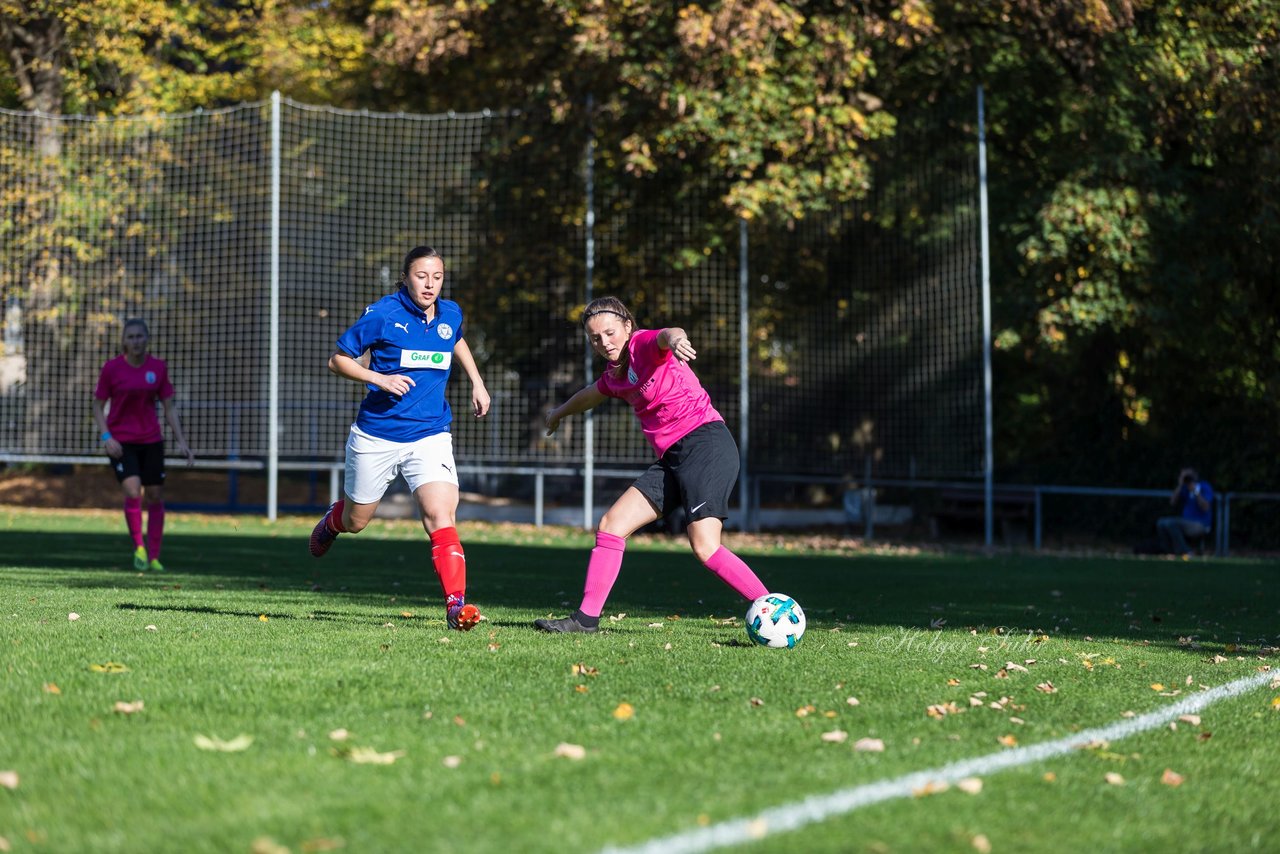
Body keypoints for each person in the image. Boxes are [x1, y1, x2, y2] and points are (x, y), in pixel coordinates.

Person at [534, 296, 772, 634]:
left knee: (705, 546)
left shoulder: (644, 344)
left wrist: (676, 340)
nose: (605, 342)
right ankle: (585, 620)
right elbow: (591, 393)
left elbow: (666, 334)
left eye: (610, 333)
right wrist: (558, 414)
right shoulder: (615, 375)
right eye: (595, 338)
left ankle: (774, 608)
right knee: (612, 524)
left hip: (705, 444)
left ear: (627, 326)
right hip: (673, 457)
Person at [308, 246, 491, 632]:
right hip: (377, 434)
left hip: (430, 434)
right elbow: (337, 360)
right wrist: (378, 378)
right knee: (358, 520)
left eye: (437, 276)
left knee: (441, 514)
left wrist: (476, 381)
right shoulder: (383, 314)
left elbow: (454, 338)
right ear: (406, 276)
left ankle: (456, 605)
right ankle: (333, 520)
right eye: (422, 275)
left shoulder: (450, 313)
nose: (430, 284)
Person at [92, 318, 195, 571]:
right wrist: (107, 437)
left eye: (140, 336)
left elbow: (169, 407)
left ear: (147, 339)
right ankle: (139, 546)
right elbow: (97, 405)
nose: (136, 341)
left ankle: (155, 557)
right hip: (121, 442)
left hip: (151, 440)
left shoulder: (158, 368)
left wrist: (182, 442)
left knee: (155, 495)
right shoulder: (112, 369)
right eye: (131, 337)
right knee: (132, 490)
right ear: (124, 341)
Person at [1156, 466, 1214, 557]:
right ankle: (1168, 552)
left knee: (1170, 523)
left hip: (1200, 523)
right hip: (1185, 522)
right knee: (1161, 523)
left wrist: (1195, 491)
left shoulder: (1204, 486)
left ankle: (1186, 552)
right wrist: (1180, 484)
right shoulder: (1184, 488)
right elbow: (1172, 502)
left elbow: (1206, 507)